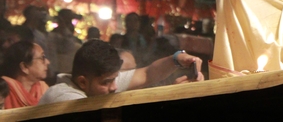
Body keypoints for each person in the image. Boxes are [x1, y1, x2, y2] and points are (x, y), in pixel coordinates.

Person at [38, 39, 203, 104]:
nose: (114, 87)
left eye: (114, 79)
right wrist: (173, 95)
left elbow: (147, 74)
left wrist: (178, 58)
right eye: (107, 82)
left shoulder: (99, 83)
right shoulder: (64, 97)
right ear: (82, 82)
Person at [0, 41, 50, 108]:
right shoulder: (3, 91)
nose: (48, 62)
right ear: (24, 67)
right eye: (42, 58)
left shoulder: (43, 89)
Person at [47, 9, 82, 76]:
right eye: (68, 20)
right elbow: (65, 48)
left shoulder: (71, 37)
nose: (71, 24)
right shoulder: (53, 36)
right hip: (58, 70)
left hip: (68, 69)